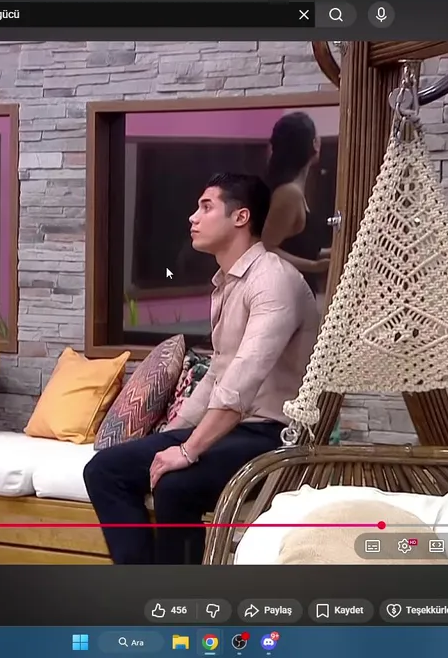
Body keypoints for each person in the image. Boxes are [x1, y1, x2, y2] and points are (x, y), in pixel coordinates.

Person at [83, 172, 320, 564]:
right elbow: (217, 373)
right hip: (233, 430)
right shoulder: (227, 283)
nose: (193, 217)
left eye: (206, 207)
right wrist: (172, 436)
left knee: (176, 484)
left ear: (241, 217)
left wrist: (188, 450)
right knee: (104, 470)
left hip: (273, 434)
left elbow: (244, 376)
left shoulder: (273, 281)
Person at [258, 112, 330, 294]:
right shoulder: (289, 194)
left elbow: (295, 247)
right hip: (285, 296)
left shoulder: (293, 191)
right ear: (314, 144)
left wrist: (330, 254)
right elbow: (266, 249)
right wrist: (314, 266)